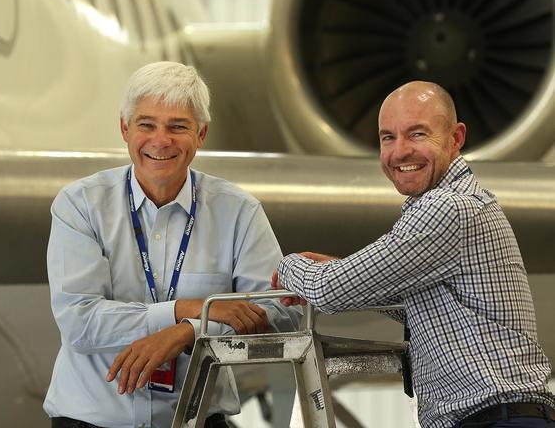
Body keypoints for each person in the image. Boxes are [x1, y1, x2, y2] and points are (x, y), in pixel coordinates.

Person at [273, 81, 555, 427]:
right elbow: (422, 305)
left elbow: (328, 291)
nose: (399, 152)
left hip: (495, 420)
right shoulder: (460, 206)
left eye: (417, 134)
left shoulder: (446, 208)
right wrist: (338, 268)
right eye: (387, 138)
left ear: (456, 138)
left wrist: (287, 266)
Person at [44, 61, 300, 428]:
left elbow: (281, 314)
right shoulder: (79, 205)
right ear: (124, 128)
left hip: (201, 420)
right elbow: (80, 323)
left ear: (202, 134)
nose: (160, 140)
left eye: (178, 126)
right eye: (146, 124)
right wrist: (187, 309)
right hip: (90, 422)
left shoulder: (239, 212)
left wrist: (188, 330)